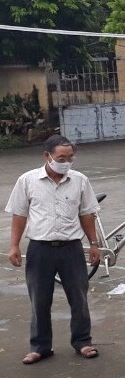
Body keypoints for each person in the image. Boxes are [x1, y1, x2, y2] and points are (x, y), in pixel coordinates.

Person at [6, 134, 102, 364]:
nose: (66, 162)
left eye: (70, 158)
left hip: (71, 249)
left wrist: (94, 243)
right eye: (61, 158)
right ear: (47, 156)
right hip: (40, 249)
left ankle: (82, 341)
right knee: (39, 300)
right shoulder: (27, 181)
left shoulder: (79, 180)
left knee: (79, 298)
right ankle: (40, 347)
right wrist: (14, 246)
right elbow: (19, 215)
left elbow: (86, 214)